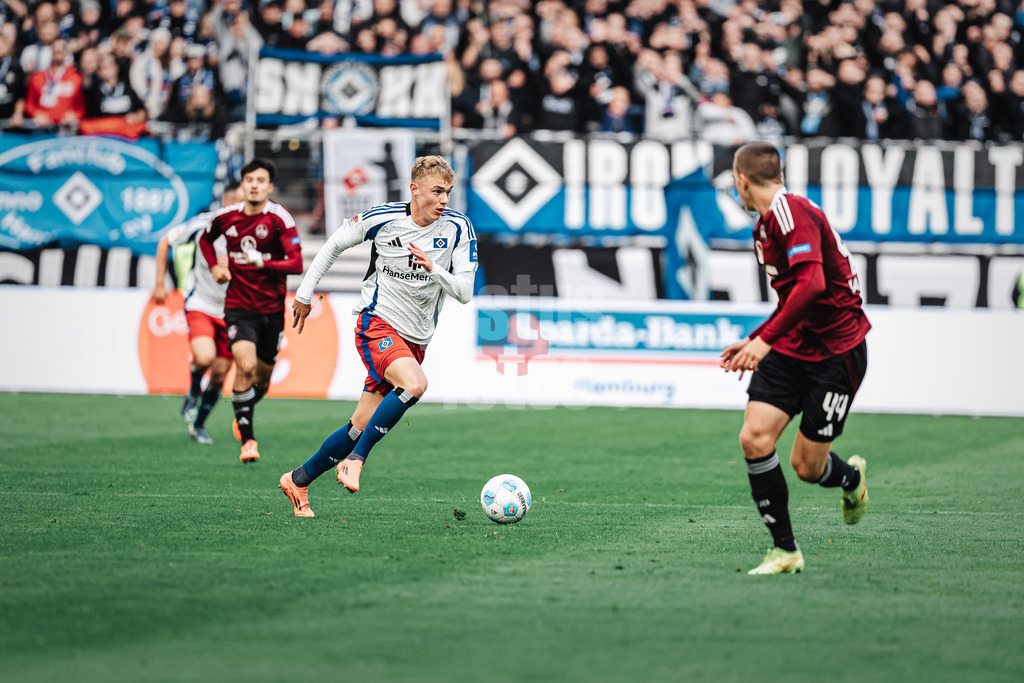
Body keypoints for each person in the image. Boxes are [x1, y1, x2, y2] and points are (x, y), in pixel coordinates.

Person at [279, 155, 478, 517]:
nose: (444, 200)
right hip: (377, 324)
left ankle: (298, 479)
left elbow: (464, 291)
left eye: (448, 192)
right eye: (437, 191)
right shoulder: (383, 219)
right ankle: (356, 460)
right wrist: (305, 295)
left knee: (358, 425)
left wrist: (435, 269)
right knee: (415, 385)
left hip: (416, 340)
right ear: (415, 190)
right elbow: (333, 244)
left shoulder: (458, 228)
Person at [720, 141, 871, 576]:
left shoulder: (791, 213)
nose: (737, 189)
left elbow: (813, 285)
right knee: (754, 438)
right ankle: (785, 551)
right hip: (791, 347)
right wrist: (756, 338)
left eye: (735, 181)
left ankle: (851, 480)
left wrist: (763, 341)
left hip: (837, 352)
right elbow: (794, 300)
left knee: (807, 467)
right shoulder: (766, 227)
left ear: (743, 180)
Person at [199, 159, 303, 463]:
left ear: (270, 187)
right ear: (242, 185)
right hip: (238, 307)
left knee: (262, 379)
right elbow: (206, 240)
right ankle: (248, 440)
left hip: (271, 310)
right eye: (249, 180)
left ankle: (242, 411)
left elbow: (296, 264)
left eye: (260, 180)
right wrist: (215, 266)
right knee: (244, 366)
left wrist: (263, 262)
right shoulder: (226, 218)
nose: (254, 185)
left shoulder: (279, 219)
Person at [151, 181, 243, 444]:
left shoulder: (253, 232)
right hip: (201, 303)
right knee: (204, 358)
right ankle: (193, 391)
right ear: (225, 200)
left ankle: (199, 424)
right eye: (235, 201)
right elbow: (164, 241)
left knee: (219, 375)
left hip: (233, 311)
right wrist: (159, 283)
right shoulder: (204, 224)